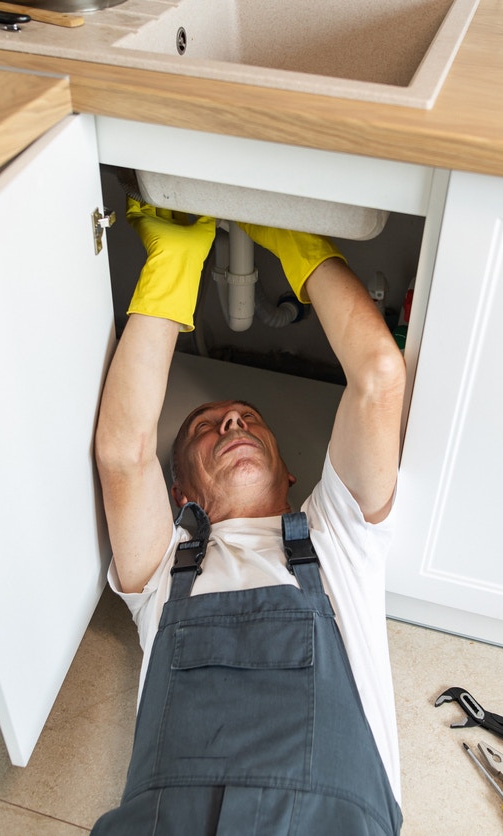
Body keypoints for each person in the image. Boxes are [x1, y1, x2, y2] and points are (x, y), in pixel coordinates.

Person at [91, 199, 407, 835]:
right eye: (206, 428)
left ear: (290, 474)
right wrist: (172, 267)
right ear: (180, 493)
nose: (232, 421)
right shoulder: (163, 566)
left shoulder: (340, 537)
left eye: (248, 419)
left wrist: (296, 242)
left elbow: (378, 375)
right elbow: (123, 453)